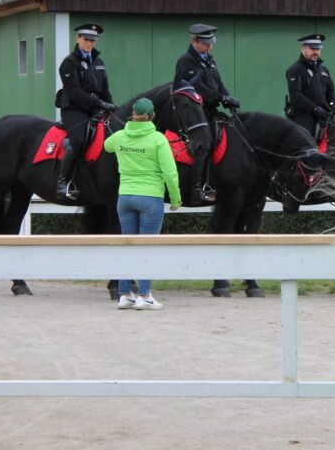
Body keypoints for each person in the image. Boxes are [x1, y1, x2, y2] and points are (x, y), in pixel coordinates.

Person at [103, 97, 182, 310]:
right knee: (147, 247)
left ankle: (125, 294)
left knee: (127, 246)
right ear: (152, 116)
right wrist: (175, 198)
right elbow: (170, 172)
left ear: (133, 114)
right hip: (150, 198)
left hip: (125, 197)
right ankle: (144, 295)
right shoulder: (158, 139)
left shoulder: (119, 136)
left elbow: (106, 146)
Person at [173, 23, 239, 204]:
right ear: (195, 41)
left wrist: (227, 98)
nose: (210, 46)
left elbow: (219, 83)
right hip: (193, 112)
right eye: (206, 43)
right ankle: (198, 189)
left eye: (211, 43)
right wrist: (220, 97)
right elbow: (195, 87)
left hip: (210, 109)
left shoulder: (209, 59)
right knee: (204, 143)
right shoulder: (186, 61)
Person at [55, 23, 117, 200]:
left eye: (92, 40)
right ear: (78, 38)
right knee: (78, 140)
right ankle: (62, 183)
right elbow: (74, 92)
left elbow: (105, 90)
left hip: (96, 107)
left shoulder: (99, 62)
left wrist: (111, 106)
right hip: (75, 109)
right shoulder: (69, 63)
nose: (89, 43)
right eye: (86, 39)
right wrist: (99, 104)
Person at [284, 33, 335, 139]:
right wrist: (315, 109)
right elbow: (296, 96)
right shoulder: (295, 69)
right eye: (312, 48)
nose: (316, 52)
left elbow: (331, 91)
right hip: (303, 116)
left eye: (318, 49)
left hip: (323, 115)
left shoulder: (323, 70)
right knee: (304, 142)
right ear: (303, 49)